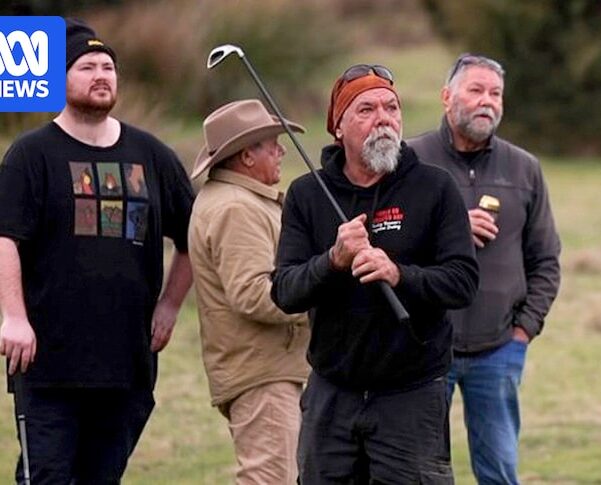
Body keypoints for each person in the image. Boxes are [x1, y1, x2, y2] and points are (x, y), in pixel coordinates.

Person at [0, 18, 194, 483]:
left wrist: (170, 305)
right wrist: (14, 317)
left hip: (127, 362)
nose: (101, 75)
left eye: (108, 67)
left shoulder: (152, 155)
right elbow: (6, 237)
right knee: (46, 477)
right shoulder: (31, 155)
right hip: (48, 362)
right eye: (86, 67)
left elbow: (194, 239)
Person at [271, 64, 479, 483]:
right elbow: (285, 292)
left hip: (411, 395)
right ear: (338, 127)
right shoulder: (307, 194)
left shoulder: (435, 188)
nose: (383, 118)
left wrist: (399, 274)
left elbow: (462, 282)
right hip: (332, 394)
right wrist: (333, 260)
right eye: (366, 109)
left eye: (391, 107)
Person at [409, 54, 561, 484]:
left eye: (495, 94)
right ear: (447, 97)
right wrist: (452, 229)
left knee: (498, 472)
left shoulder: (524, 168)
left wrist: (524, 329)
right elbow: (390, 245)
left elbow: (546, 259)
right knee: (420, 471)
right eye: (475, 90)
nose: (487, 101)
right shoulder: (411, 161)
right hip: (423, 347)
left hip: (498, 348)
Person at [188, 99, 310, 484]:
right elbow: (254, 293)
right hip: (262, 374)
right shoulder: (236, 208)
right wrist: (321, 296)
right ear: (246, 156)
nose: (281, 151)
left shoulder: (242, 201)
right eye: (273, 144)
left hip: (268, 369)